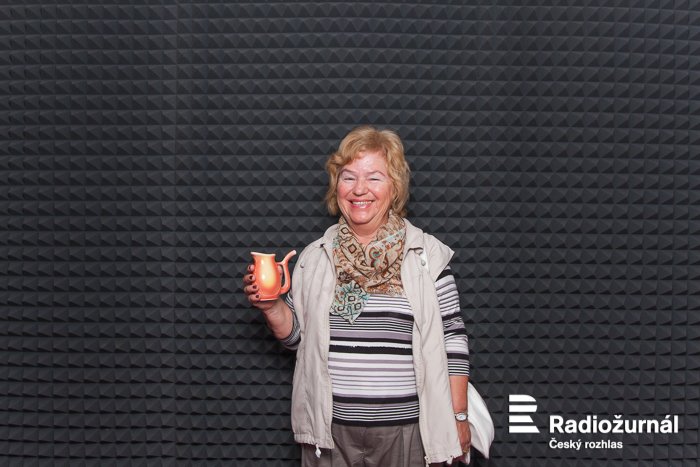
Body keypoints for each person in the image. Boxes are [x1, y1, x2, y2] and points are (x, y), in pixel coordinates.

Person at [243, 126, 472, 466]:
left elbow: (453, 340)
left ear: (395, 187)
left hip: (407, 432)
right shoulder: (315, 257)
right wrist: (271, 305)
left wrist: (458, 416)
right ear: (336, 187)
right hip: (329, 433)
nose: (359, 189)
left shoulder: (426, 255)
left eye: (374, 178)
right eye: (348, 177)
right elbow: (297, 339)